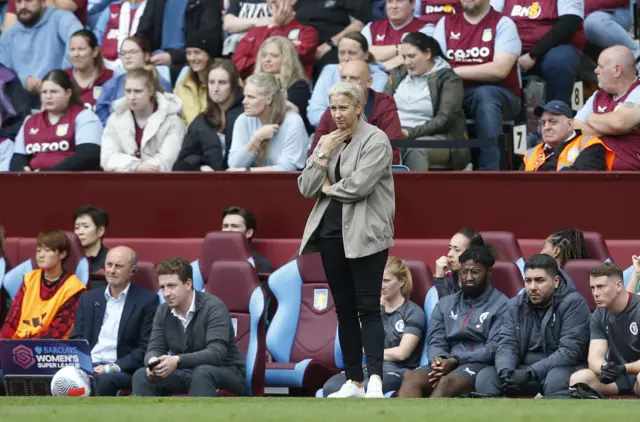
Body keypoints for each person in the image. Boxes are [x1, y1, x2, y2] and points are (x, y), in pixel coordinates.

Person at [298, 82, 395, 398]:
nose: (337, 114)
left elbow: (359, 186)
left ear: (359, 107)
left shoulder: (376, 140)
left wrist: (328, 188)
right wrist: (322, 153)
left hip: (365, 234)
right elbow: (305, 186)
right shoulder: (329, 141)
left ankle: (376, 380)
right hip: (330, 232)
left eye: (343, 108)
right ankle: (353, 381)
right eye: (333, 108)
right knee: (344, 309)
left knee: (368, 308)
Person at [396, 245, 508, 398]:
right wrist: (440, 360)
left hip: (478, 365)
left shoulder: (502, 305)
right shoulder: (445, 303)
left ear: (488, 272)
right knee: (411, 378)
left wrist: (455, 360)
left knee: (445, 383)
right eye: (464, 272)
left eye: (475, 272)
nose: (468, 278)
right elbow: (435, 340)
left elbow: (493, 349)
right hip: (445, 362)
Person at [474, 254, 590, 397]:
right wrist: (506, 371)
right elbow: (507, 344)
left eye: (539, 280)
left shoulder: (573, 303)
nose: (532, 287)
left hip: (559, 369)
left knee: (556, 379)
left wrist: (530, 373)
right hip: (522, 370)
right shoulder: (515, 305)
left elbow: (570, 352)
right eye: (528, 281)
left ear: (556, 282)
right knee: (486, 377)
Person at [131, 257, 246, 397]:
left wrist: (177, 361)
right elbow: (154, 348)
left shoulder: (214, 307)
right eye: (162, 287)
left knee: (203, 373)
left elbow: (216, 354)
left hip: (227, 372)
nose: (166, 293)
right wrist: (154, 365)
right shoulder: (162, 311)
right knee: (141, 375)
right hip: (186, 372)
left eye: (172, 286)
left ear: (188, 284)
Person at [432, 0, 521, 171]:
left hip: (503, 95)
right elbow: (435, 68)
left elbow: (499, 70)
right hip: (457, 92)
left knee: (485, 95)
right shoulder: (445, 23)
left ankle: (490, 173)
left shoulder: (503, 23)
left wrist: (454, 72)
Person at [322, 256, 425, 397]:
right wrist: (373, 310)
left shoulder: (413, 312)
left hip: (397, 370)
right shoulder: (372, 311)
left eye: (386, 281)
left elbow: (402, 353)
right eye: (378, 280)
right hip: (367, 368)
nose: (380, 285)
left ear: (401, 282)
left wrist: (371, 352)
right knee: (330, 387)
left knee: (366, 389)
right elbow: (358, 344)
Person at [71, 246, 159, 396]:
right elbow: (77, 338)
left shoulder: (147, 300)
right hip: (88, 365)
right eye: (109, 264)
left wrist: (109, 368)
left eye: (118, 266)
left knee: (103, 380)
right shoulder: (89, 298)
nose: (111, 270)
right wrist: (85, 366)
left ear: (133, 270)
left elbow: (144, 349)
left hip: (121, 369)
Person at [386, 32, 469, 171]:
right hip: (398, 135)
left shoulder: (449, 79)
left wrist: (409, 133)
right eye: (404, 57)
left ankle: (416, 192)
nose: (407, 62)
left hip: (439, 138)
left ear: (428, 53)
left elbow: (445, 119)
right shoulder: (397, 74)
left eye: (412, 56)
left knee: (415, 149)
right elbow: (383, 108)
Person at [491, 0, 585, 106]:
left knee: (562, 60)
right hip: (511, 47)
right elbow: (489, 18)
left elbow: (569, 23)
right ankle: (511, 114)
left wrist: (533, 55)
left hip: (552, 48)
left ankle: (556, 113)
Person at [310, 59, 403, 164]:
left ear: (369, 82)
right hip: (332, 172)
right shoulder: (333, 110)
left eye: (353, 78)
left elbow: (391, 152)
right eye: (343, 78)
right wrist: (324, 175)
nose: (347, 83)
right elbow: (314, 152)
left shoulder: (384, 106)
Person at [9, 70, 103, 172]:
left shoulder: (85, 116)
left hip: (75, 182)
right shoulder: (30, 121)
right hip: (34, 183)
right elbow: (17, 159)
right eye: (44, 92)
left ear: (68, 93)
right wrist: (24, 172)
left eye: (54, 92)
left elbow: (89, 156)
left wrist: (48, 174)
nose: (48, 96)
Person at [569, 262, 640, 397]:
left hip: (635, 373)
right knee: (579, 379)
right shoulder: (599, 313)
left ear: (619, 285)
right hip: (618, 376)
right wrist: (605, 369)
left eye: (600, 287)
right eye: (593, 288)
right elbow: (594, 357)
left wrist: (624, 368)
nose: (595, 293)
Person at [0, 229, 86, 339]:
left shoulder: (74, 288)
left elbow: (57, 331)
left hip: (50, 349)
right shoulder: (29, 279)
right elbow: (12, 320)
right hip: (17, 345)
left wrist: (25, 345)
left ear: (62, 254)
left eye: (47, 250)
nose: (41, 255)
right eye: (39, 250)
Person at [0, 0, 84, 108]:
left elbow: (79, 42)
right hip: (22, 100)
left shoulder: (61, 18)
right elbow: (4, 72)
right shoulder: (8, 36)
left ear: (43, 2)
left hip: (61, 93)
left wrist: (56, 80)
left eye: (29, 1)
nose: (23, 6)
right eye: (19, 2)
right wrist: (25, 80)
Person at [101, 67, 186, 172]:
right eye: (128, 91)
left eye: (138, 91)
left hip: (160, 184)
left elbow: (166, 161)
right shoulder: (115, 118)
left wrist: (132, 167)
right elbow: (108, 158)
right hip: (123, 183)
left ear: (151, 91)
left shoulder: (173, 121)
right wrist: (136, 167)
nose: (132, 97)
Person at [574, 46, 640, 170]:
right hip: (597, 174)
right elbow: (575, 128)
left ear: (617, 71)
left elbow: (620, 122)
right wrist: (611, 128)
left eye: (600, 66)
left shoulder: (638, 91)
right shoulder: (598, 95)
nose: (596, 71)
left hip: (633, 178)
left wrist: (591, 118)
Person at [227, 72, 307, 172]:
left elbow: (288, 168)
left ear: (268, 99)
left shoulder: (293, 122)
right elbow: (234, 164)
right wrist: (256, 140)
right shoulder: (242, 120)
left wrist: (247, 172)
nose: (244, 102)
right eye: (245, 96)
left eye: (251, 97)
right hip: (249, 184)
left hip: (285, 185)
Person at [173, 60, 244, 171]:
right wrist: (200, 166)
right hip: (210, 184)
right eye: (211, 82)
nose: (215, 89)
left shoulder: (248, 116)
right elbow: (182, 161)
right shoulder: (201, 121)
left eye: (222, 82)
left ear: (234, 84)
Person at [307, 32, 389, 128]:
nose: (346, 58)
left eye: (352, 53)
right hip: (326, 132)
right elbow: (314, 115)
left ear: (366, 54)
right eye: (342, 53)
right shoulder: (329, 70)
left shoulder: (379, 77)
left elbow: (364, 113)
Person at [95, 36, 173, 126]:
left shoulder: (160, 83)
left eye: (133, 52)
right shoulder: (112, 84)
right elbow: (100, 108)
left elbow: (167, 113)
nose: (127, 56)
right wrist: (113, 126)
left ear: (146, 56)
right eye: (123, 53)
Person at [232, 0, 318, 81]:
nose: (272, 0)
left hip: (290, 91)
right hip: (255, 89)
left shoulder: (308, 32)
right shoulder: (255, 31)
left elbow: (292, 59)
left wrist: (274, 29)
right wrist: (274, 59)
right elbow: (237, 65)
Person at [134, 0, 222, 75]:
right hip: (155, 59)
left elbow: (208, 39)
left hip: (189, 62)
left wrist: (172, 57)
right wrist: (138, 51)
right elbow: (143, 31)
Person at [523, 101, 614, 171]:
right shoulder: (531, 153)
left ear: (570, 125)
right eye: (543, 123)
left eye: (553, 122)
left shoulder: (589, 145)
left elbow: (584, 184)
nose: (546, 127)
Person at [250, 36, 314, 134]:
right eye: (264, 55)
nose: (267, 59)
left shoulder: (299, 87)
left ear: (286, 59)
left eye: (274, 56)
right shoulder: (253, 86)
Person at [295, 0, 371, 71]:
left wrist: (329, 43)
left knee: (330, 65)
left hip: (333, 44)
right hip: (301, 41)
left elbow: (357, 25)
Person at [361, 0, 432, 71]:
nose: (394, 6)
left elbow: (413, 59)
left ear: (413, 4)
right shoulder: (371, 27)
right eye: (390, 1)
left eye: (400, 1)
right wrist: (400, 49)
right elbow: (361, 54)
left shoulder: (426, 29)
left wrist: (378, 67)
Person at [174, 31, 218, 126]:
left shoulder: (225, 81)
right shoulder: (182, 86)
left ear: (209, 54)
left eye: (197, 52)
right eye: (188, 53)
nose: (192, 58)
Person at [65, 30, 114, 111]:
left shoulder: (110, 78)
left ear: (95, 51)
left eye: (81, 49)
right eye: (72, 49)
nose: (76, 54)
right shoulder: (63, 78)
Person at [93, 0, 148, 70]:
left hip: (140, 67)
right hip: (106, 65)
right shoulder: (112, 8)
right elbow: (97, 36)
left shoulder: (153, 9)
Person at [434, 227, 486, 298]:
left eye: (457, 250)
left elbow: (449, 308)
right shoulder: (446, 278)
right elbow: (442, 307)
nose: (449, 254)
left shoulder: (478, 284)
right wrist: (439, 279)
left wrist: (439, 280)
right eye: (450, 248)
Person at [221, 206, 274, 274]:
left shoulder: (262, 265)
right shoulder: (209, 260)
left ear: (249, 233)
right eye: (225, 226)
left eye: (235, 226)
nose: (228, 230)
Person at [73, 205, 110, 278]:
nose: (79, 232)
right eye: (77, 227)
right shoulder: (70, 260)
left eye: (86, 226)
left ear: (100, 231)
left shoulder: (110, 259)